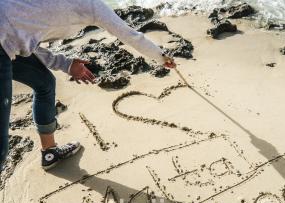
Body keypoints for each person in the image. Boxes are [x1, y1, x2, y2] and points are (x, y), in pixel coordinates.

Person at [0, 0, 176, 171]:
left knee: (45, 83)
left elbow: (25, 38)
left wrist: (66, 64)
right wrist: (161, 57)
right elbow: (129, 34)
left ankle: (49, 153)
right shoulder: (92, 6)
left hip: (8, 41)